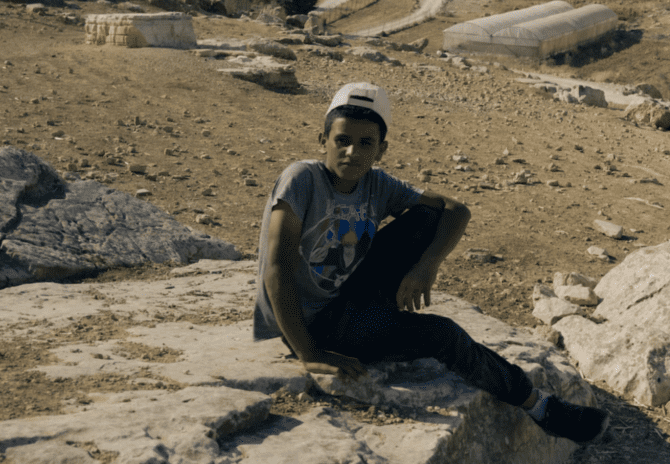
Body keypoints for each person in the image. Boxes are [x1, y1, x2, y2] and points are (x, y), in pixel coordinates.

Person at [254, 82, 608, 444]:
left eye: (365, 143)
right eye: (341, 140)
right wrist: (309, 351)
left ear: (381, 149)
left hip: (351, 297)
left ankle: (382, 315)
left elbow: (456, 210)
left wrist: (426, 267)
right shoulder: (302, 179)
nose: (351, 152)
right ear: (322, 140)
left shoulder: (376, 184)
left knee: (427, 215)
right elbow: (277, 268)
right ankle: (540, 406)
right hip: (315, 325)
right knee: (445, 335)